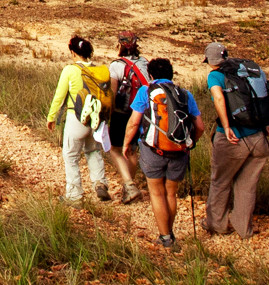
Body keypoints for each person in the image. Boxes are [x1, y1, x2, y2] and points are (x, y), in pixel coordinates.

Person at [123, 57, 204, 250]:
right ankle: (170, 232)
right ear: (171, 74)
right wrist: (190, 143)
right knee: (171, 193)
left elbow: (134, 122)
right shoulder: (185, 94)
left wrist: (126, 143)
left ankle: (165, 237)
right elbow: (200, 126)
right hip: (178, 150)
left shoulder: (146, 91)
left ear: (151, 75)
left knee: (157, 193)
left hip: (153, 149)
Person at [203, 41, 269, 239]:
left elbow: (219, 98)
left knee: (220, 181)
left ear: (209, 60)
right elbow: (264, 97)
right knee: (247, 186)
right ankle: (244, 229)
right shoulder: (247, 71)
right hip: (259, 139)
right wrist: (267, 124)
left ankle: (217, 225)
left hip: (234, 140)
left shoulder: (215, 76)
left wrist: (226, 127)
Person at [45, 35, 111, 204]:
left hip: (76, 118)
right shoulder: (98, 70)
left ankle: (75, 195)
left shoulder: (70, 70)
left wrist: (51, 117)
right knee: (93, 151)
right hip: (96, 120)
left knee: (71, 155)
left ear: (73, 53)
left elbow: (59, 96)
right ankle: (100, 183)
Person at [106, 32, 147, 204]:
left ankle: (129, 185)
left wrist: (107, 113)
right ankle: (129, 187)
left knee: (115, 149)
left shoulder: (116, 65)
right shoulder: (144, 62)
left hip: (121, 113)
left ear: (120, 45)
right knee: (131, 149)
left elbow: (113, 93)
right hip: (140, 111)